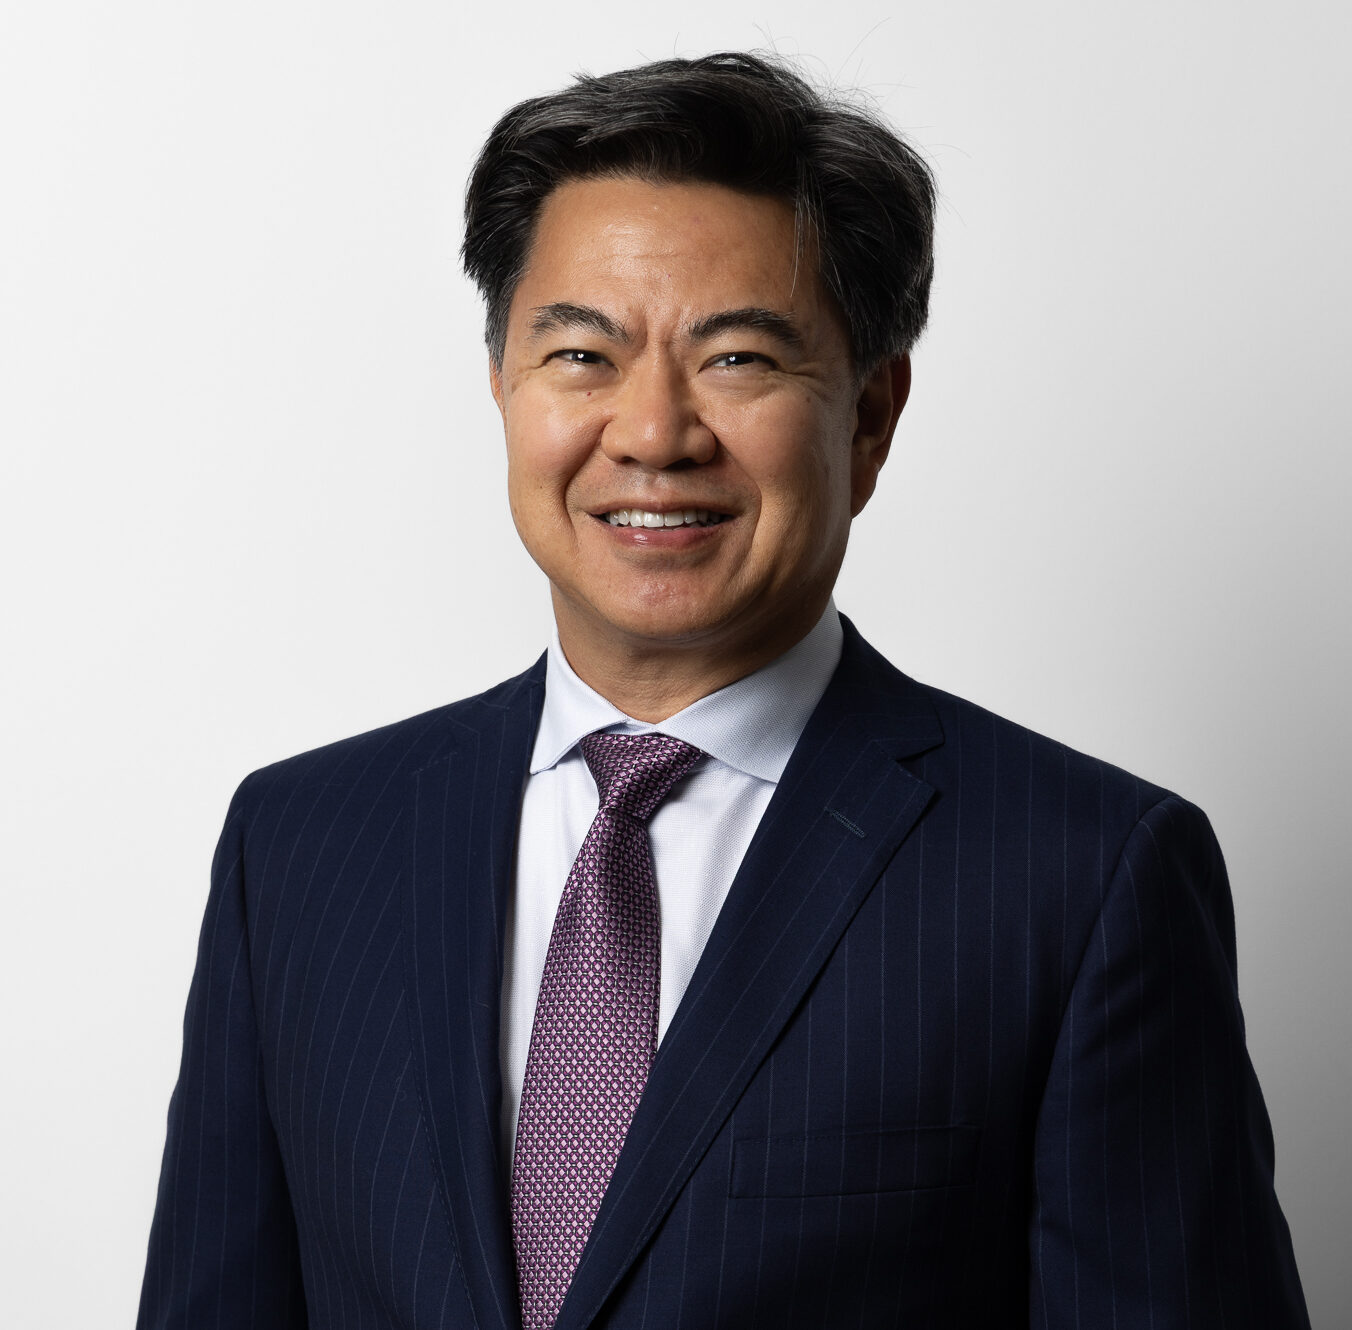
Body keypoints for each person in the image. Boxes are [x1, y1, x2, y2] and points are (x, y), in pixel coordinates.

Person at [137, 51, 1310, 1330]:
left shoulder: (1079, 878)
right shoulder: (301, 847)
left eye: (737, 358)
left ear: (868, 417)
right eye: (581, 353)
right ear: (504, 388)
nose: (652, 432)